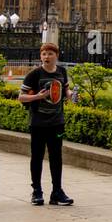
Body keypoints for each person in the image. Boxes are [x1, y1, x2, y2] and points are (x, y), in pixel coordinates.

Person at [19, 43, 75, 206]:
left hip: (57, 122)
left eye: (50, 53)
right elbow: (21, 97)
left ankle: (57, 192)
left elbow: (65, 91)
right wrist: (37, 97)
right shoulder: (34, 74)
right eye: (44, 54)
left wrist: (71, 95)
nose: (46, 57)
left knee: (56, 157)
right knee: (37, 157)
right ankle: (37, 191)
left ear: (56, 55)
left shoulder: (62, 72)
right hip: (38, 122)